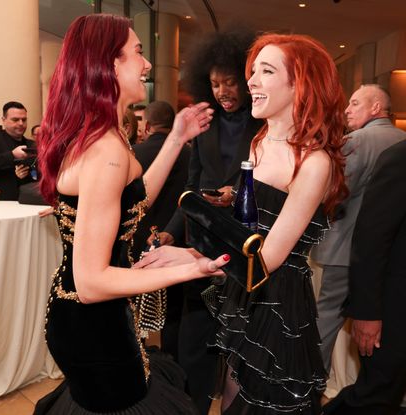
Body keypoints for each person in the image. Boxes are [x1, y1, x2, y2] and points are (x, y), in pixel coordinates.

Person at [33, 13, 230, 415]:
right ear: (108, 64)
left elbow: (131, 201)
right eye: (138, 53)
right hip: (92, 322)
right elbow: (91, 282)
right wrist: (192, 268)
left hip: (91, 316)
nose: (148, 64)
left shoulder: (104, 134)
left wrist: (176, 138)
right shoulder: (105, 149)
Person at [210, 32, 347, 414]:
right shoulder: (260, 142)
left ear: (300, 85)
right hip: (242, 284)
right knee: (231, 393)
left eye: (266, 71)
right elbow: (249, 221)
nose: (250, 81)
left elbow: (267, 258)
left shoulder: (314, 162)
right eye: (253, 70)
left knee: (262, 402)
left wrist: (194, 263)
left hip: (275, 298)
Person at [151, 28, 263, 414]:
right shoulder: (205, 126)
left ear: (246, 81)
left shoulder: (263, 125)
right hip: (199, 243)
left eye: (230, 82)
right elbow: (192, 189)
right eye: (214, 84)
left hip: (245, 245)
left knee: (240, 342)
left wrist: (236, 195)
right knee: (195, 338)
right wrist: (170, 229)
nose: (222, 92)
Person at [310, 84, 406, 373]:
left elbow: (335, 194)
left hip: (345, 252)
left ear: (376, 108)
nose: (346, 110)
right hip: (392, 257)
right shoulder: (402, 140)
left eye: (354, 103)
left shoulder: (357, 141)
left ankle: (309, 383)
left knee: (325, 322)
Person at [322, 139, 406, 415]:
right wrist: (366, 313)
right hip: (393, 312)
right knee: (375, 396)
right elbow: (370, 240)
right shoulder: (399, 157)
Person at [132, 100, 190, 360]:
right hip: (178, 239)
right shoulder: (189, 153)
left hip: (137, 240)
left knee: (134, 304)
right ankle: (173, 364)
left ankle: (139, 359)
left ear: (147, 125)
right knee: (175, 310)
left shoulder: (133, 154)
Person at [0, 101, 35, 200]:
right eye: (15, 120)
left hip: (27, 200)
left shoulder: (32, 144)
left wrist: (26, 174)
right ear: (3, 120)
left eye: (24, 120)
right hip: (0, 202)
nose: (21, 123)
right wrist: (12, 155)